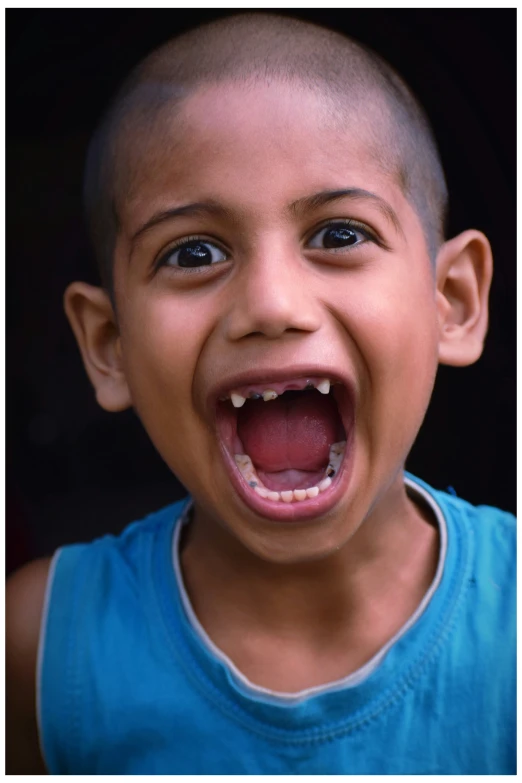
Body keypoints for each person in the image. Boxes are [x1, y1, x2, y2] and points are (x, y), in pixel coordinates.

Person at [6, 13, 515, 774]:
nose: (272, 303)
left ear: (453, 300)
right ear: (109, 346)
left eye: (340, 235)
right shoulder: (39, 649)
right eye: (194, 252)